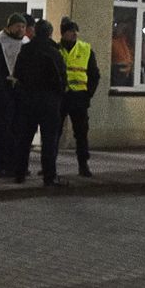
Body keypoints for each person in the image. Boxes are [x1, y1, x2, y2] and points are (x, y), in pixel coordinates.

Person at [12, 18, 68, 186]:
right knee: (49, 140)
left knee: (24, 138)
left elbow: (18, 74)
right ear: (50, 33)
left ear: (35, 31)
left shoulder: (26, 50)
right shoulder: (54, 52)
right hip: (49, 101)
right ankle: (49, 176)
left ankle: (20, 173)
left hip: (28, 100)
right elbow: (62, 79)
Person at [0, 15, 29, 178]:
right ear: (9, 27)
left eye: (23, 27)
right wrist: (1, 86)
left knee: (19, 129)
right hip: (4, 90)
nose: (21, 30)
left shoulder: (26, 43)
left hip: (20, 92)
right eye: (18, 26)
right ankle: (2, 165)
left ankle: (17, 164)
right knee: (4, 128)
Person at [57, 18, 102, 175]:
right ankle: (49, 165)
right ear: (63, 33)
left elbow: (94, 74)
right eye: (71, 31)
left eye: (76, 31)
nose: (75, 34)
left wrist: (88, 94)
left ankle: (83, 165)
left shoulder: (85, 49)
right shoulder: (56, 50)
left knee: (81, 133)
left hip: (79, 98)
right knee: (54, 132)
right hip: (61, 97)